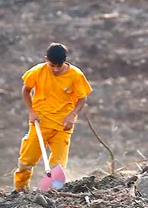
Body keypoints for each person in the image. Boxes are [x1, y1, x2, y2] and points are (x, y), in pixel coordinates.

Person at [13, 43, 93, 191]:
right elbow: (26, 90)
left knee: (58, 165)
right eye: (52, 65)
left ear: (65, 61)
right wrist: (31, 111)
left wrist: (72, 115)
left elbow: (82, 98)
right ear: (46, 60)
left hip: (63, 125)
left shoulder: (75, 75)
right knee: (26, 161)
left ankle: (52, 192)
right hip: (40, 122)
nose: (55, 69)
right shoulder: (37, 71)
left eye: (59, 66)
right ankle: (20, 190)